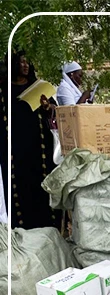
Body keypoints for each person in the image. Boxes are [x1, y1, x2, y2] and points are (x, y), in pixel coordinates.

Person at [5, 51, 62, 229]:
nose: (25, 65)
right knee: (19, 190)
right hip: (14, 150)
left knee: (40, 187)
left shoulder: (38, 86)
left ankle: (46, 227)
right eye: (21, 62)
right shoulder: (4, 89)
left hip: (39, 149)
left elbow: (54, 109)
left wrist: (47, 106)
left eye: (27, 62)